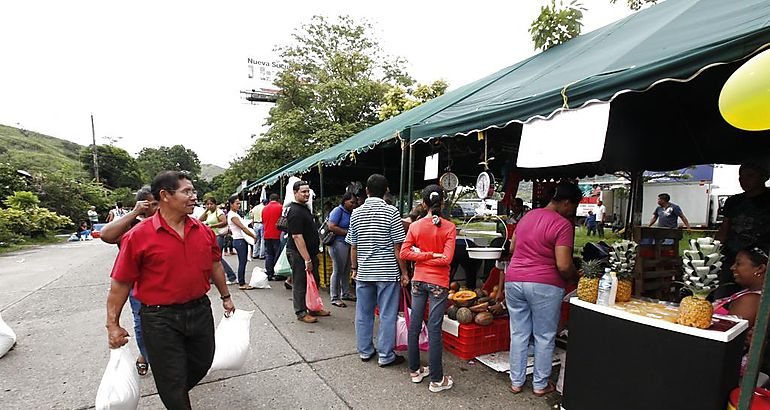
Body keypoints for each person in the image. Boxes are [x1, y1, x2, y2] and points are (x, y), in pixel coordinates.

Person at [106, 171, 235, 409]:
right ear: (165, 195)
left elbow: (215, 265)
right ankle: (174, 394)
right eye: (186, 191)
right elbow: (120, 283)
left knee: (203, 362)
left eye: (193, 191)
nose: (193, 197)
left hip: (199, 310)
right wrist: (112, 325)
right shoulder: (138, 236)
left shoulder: (203, 231)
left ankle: (172, 390)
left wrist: (226, 297)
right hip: (159, 318)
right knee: (172, 378)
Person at [498, 181, 581, 396]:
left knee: (518, 333)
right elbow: (563, 264)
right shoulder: (563, 225)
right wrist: (575, 277)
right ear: (565, 202)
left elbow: (513, 247)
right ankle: (539, 385)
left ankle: (516, 382)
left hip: (514, 280)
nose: (573, 212)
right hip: (545, 284)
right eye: (573, 207)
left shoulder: (527, 216)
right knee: (544, 335)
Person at [400, 184, 456, 392]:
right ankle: (436, 380)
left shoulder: (415, 226)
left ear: (423, 204)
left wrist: (423, 256)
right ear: (442, 203)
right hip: (438, 284)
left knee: (415, 325)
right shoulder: (449, 227)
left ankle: (415, 370)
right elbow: (446, 259)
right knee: (434, 329)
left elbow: (405, 253)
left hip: (418, 280)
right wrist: (434, 256)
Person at [346, 174, 407, 366]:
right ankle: (385, 356)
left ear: (366, 191)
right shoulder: (392, 212)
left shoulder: (356, 213)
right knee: (387, 314)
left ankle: (365, 351)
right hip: (387, 272)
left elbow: (353, 246)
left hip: (364, 271)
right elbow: (398, 247)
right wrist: (404, 272)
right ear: (386, 190)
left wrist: (354, 268)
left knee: (363, 313)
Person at [100, 186, 159, 376]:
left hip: (162, 285)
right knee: (142, 323)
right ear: (143, 205)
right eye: (154, 204)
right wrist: (134, 212)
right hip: (137, 286)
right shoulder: (131, 225)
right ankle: (147, 356)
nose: (159, 208)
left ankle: (157, 357)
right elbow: (106, 235)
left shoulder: (167, 222)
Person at [716, 160, 770, 298]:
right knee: (723, 298)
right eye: (741, 177)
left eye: (749, 176)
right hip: (731, 259)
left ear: (764, 176)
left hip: (760, 262)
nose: (743, 180)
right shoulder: (733, 201)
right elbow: (724, 228)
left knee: (757, 300)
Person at [285, 180, 331, 323]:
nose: (306, 194)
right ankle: (301, 312)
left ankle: (314, 307)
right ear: (295, 193)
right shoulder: (295, 211)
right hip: (299, 254)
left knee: (314, 280)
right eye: (303, 191)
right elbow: (297, 237)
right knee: (300, 283)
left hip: (310, 253)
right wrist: (307, 259)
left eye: (307, 191)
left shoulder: (305, 208)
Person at [198, 197, 238, 285]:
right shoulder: (209, 212)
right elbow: (200, 220)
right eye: (207, 204)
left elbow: (224, 222)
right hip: (211, 237)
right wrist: (206, 210)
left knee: (217, 257)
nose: (209, 206)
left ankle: (231, 276)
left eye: (211, 204)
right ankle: (213, 277)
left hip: (218, 236)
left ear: (215, 204)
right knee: (213, 257)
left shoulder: (219, 212)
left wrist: (212, 226)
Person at [328, 192, 357, 308]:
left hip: (347, 244)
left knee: (346, 270)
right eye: (351, 202)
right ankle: (335, 297)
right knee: (338, 270)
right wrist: (347, 232)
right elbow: (331, 226)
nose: (353, 205)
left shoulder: (350, 212)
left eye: (355, 203)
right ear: (345, 201)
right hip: (338, 243)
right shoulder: (337, 211)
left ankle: (345, 293)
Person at [227, 195, 259, 290]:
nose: (238, 205)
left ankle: (242, 281)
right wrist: (253, 236)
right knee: (242, 262)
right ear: (231, 204)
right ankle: (242, 283)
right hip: (239, 240)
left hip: (240, 240)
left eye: (239, 204)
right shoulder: (233, 215)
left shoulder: (234, 214)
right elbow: (243, 228)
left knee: (243, 261)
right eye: (237, 204)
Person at [262, 193, 283, 281]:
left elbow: (263, 221)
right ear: (278, 199)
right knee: (277, 254)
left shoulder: (264, 208)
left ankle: (269, 273)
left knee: (269, 254)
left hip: (267, 234)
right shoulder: (280, 207)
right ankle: (277, 273)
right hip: (277, 234)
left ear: (269, 199)